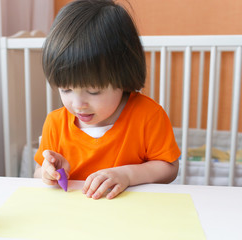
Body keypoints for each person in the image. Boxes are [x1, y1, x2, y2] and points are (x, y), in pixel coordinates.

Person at [33, 0, 180, 200]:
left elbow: (169, 168)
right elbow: (38, 173)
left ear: (124, 76)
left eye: (93, 91)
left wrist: (127, 174)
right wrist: (49, 173)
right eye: (66, 89)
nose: (77, 105)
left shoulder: (148, 116)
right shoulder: (55, 123)